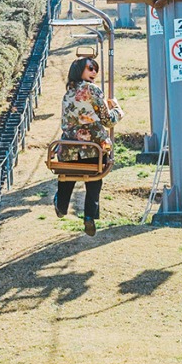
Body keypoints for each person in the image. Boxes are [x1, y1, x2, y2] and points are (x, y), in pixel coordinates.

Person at [55, 56, 122, 236]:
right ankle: (89, 216)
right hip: (94, 150)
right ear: (80, 70)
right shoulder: (92, 90)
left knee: (67, 175)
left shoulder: (68, 92)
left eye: (95, 69)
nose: (94, 72)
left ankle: (61, 206)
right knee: (95, 177)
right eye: (91, 68)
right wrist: (117, 108)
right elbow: (108, 121)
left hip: (68, 150)